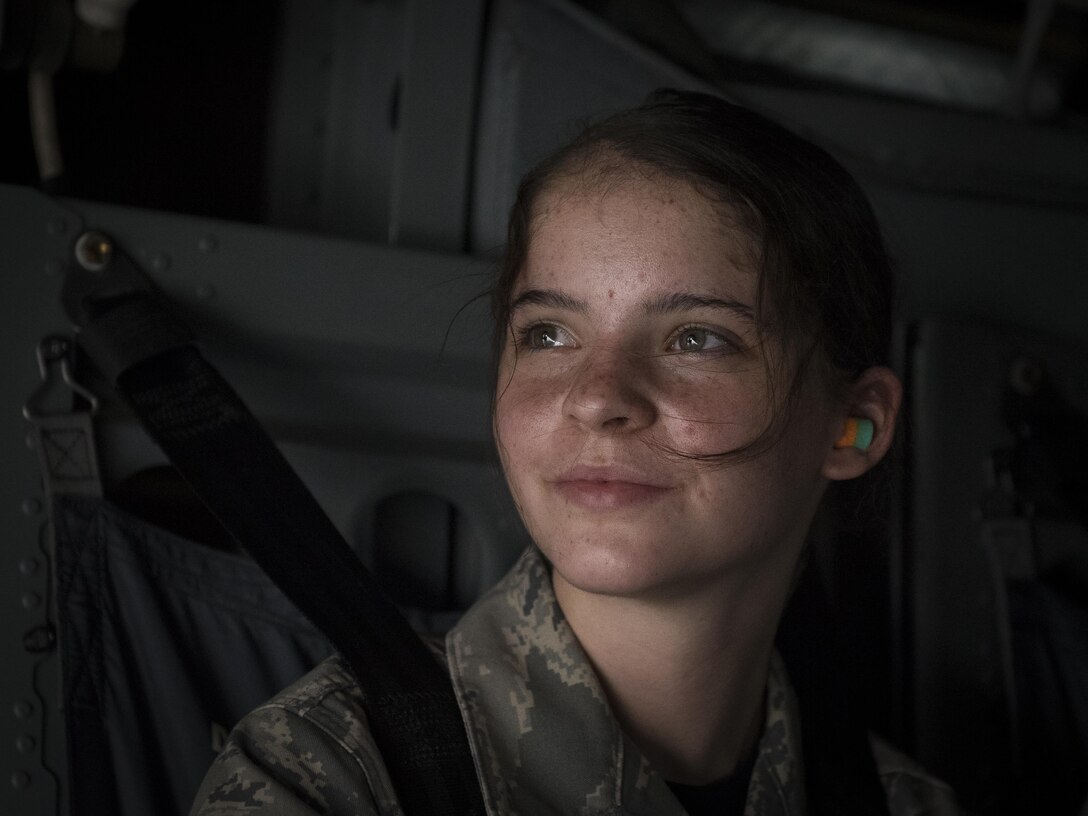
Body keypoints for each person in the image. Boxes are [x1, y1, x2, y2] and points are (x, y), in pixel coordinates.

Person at [190, 89, 960, 815]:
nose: (596, 396)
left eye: (698, 339)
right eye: (548, 334)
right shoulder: (327, 781)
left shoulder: (906, 805)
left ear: (853, 425)